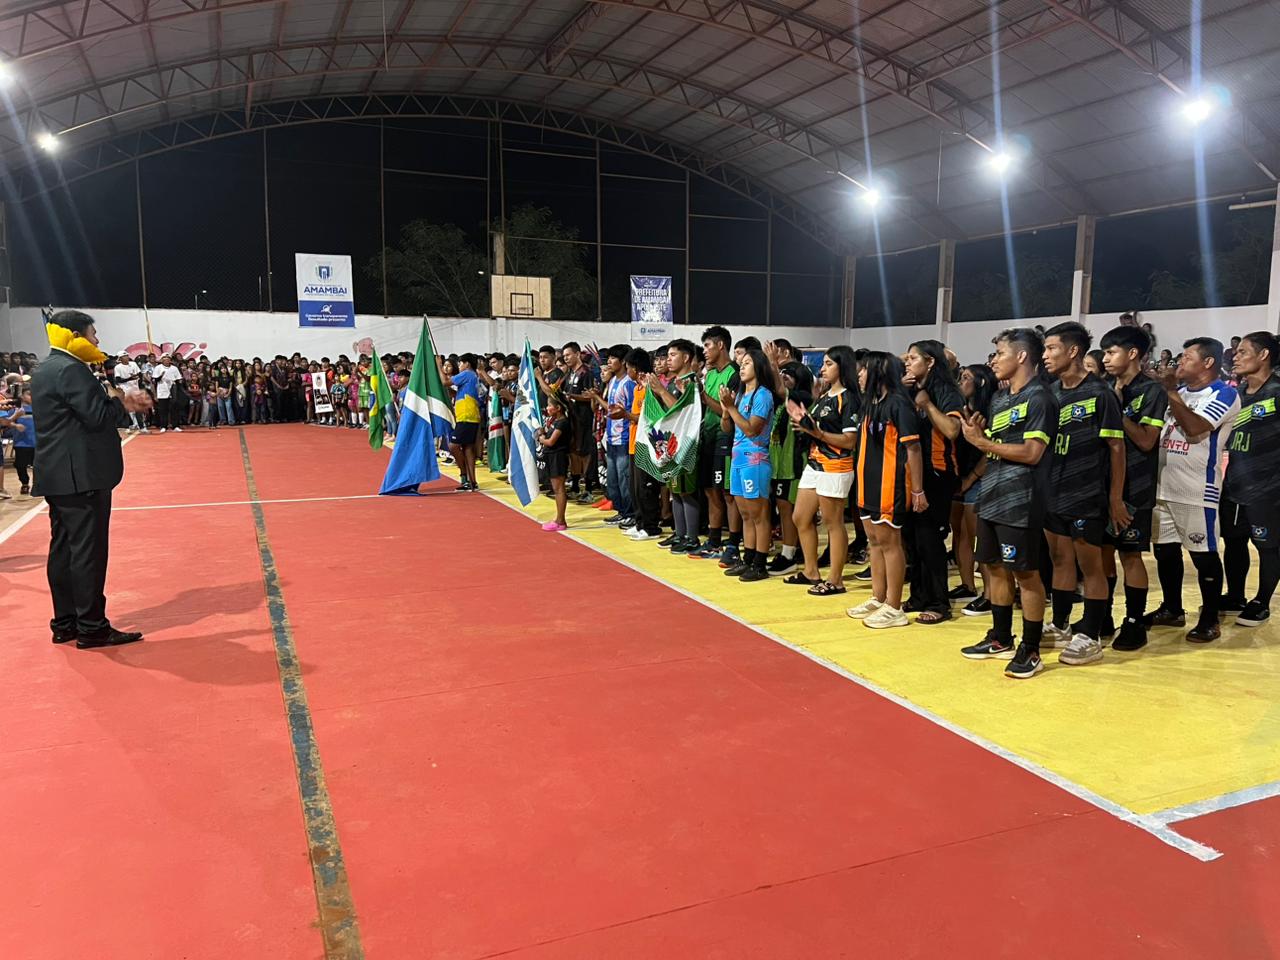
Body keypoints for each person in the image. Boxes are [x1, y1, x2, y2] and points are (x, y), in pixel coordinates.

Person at [31, 310, 153, 648]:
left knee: (62, 550)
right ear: (75, 335)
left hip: (59, 474)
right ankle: (92, 626)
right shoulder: (72, 369)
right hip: (81, 475)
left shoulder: (45, 368)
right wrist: (119, 401)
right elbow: (98, 417)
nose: (97, 340)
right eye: (92, 334)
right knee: (88, 552)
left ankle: (65, 622)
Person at [958, 328, 1054, 679]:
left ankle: (1030, 648)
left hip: (1022, 499)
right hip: (992, 495)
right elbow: (996, 446)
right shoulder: (999, 399)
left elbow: (1032, 453)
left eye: (1000, 353)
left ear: (1022, 356)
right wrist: (980, 437)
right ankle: (1000, 637)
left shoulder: (1040, 398)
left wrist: (982, 443)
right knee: (994, 567)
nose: (994, 360)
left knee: (1025, 575)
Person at [1040, 321, 1126, 667]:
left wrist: (1115, 498)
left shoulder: (1100, 394)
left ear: (1073, 351)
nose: (1045, 356)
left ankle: (1090, 635)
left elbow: (1117, 450)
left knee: (1090, 566)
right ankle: (1061, 624)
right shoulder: (1049, 392)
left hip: (1087, 493)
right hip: (1052, 492)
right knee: (1060, 560)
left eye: (1052, 348)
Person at [1148, 338, 1239, 643]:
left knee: (1203, 555)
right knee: (1165, 552)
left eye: (1187, 357)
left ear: (1208, 362)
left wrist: (1171, 391)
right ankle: (1172, 609)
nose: (1179, 362)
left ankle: (1210, 618)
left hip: (1197, 489)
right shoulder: (1180, 392)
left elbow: (1196, 428)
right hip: (1163, 486)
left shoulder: (1224, 393)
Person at [1099, 324, 1168, 651]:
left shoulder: (1151, 391)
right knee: (1102, 552)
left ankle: (1134, 621)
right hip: (1102, 484)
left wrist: (1117, 411)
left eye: (1111, 352)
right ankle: (1102, 616)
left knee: (1130, 555)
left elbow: (1146, 440)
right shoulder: (1105, 387)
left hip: (1135, 486)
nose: (1106, 358)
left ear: (1133, 353)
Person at [846, 352, 924, 628]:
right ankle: (878, 597)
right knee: (874, 541)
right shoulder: (870, 403)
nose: (859, 374)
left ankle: (894, 606)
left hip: (890, 484)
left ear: (879, 372)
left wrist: (917, 490)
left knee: (890, 544)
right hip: (867, 482)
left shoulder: (899, 404)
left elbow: (913, 448)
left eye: (864, 370)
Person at [787, 345, 859, 595]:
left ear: (843, 366)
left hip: (835, 465)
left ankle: (836, 580)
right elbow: (815, 427)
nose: (823, 368)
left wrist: (816, 432)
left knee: (833, 522)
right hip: (815, 462)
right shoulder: (825, 395)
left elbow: (850, 441)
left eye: (829, 364)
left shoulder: (849, 398)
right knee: (800, 517)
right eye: (824, 363)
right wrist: (804, 423)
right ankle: (811, 571)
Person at [902, 339, 965, 624]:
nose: (907, 363)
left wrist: (927, 405)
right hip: (913, 471)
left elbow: (952, 430)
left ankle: (940, 602)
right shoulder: (911, 389)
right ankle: (918, 595)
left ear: (930, 362)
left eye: (913, 358)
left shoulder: (946, 391)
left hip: (939, 472)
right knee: (913, 540)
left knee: (930, 540)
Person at [1220, 331, 1280, 628]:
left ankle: (1262, 601)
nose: (1235, 356)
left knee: (1268, 546)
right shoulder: (1237, 393)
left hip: (1269, 487)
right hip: (1235, 484)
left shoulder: (1277, 392)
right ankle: (1236, 595)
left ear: (1264, 355)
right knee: (1233, 542)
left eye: (1243, 351)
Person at [719, 347, 777, 582]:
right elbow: (727, 428)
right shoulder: (741, 395)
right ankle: (748, 558)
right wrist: (726, 411)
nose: (741, 367)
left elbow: (752, 429)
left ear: (759, 367)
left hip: (755, 459)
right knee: (745, 513)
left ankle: (760, 564)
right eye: (741, 364)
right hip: (738, 458)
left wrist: (732, 408)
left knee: (758, 514)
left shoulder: (763, 395)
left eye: (747, 363)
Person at [951, 364, 996, 615]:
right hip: (960, 479)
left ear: (981, 382)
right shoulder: (960, 410)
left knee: (979, 539)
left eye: (966, 377)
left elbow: (989, 452)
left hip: (979, 480)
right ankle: (967, 584)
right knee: (960, 535)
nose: (961, 381)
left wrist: (971, 479)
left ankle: (990, 594)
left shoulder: (989, 411)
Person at [692, 326, 738, 561]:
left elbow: (726, 410)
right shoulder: (709, 374)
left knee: (728, 493)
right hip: (707, 437)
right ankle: (713, 540)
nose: (704, 351)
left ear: (721, 345)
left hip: (725, 438)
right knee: (710, 491)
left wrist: (701, 393)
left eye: (707, 345)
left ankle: (733, 544)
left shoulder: (734, 374)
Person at [448, 353, 482, 492]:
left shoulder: (467, 374)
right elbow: (456, 393)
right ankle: (471, 481)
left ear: (467, 364)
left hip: (467, 415)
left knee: (453, 446)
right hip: (469, 415)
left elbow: (445, 381)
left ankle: (464, 475)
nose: (459, 366)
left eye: (460, 363)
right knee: (468, 448)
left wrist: (437, 366)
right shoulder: (472, 377)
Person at [537, 396, 571, 531]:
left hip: (558, 457)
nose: (547, 408)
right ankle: (559, 519)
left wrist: (541, 438)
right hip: (552, 457)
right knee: (557, 489)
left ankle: (561, 521)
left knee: (559, 489)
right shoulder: (555, 421)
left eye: (550, 405)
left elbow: (551, 442)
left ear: (558, 408)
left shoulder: (562, 423)